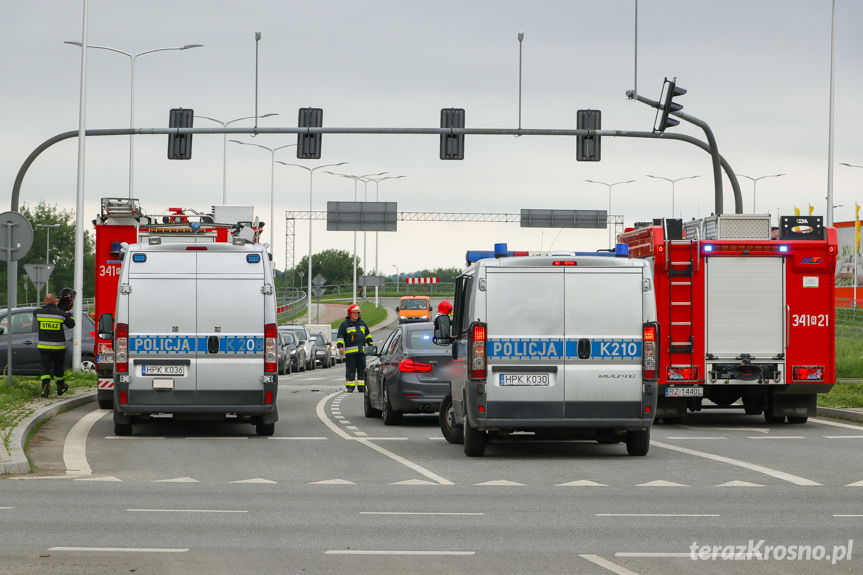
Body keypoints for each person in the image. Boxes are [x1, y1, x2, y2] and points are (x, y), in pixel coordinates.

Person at [33, 292, 75, 398]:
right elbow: (72, 324)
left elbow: (37, 311)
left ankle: (45, 391)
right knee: (58, 368)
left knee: (45, 368)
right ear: (55, 301)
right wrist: (66, 312)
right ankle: (60, 387)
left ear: (44, 301)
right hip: (58, 347)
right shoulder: (60, 313)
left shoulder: (38, 313)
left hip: (44, 347)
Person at [336, 304, 373, 393]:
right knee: (350, 370)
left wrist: (371, 344)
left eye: (357, 313)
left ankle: (362, 387)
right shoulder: (344, 325)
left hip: (361, 353)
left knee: (362, 370)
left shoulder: (362, 324)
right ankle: (350, 387)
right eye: (354, 313)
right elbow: (340, 336)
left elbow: (367, 334)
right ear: (349, 314)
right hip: (350, 354)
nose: (356, 314)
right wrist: (340, 347)